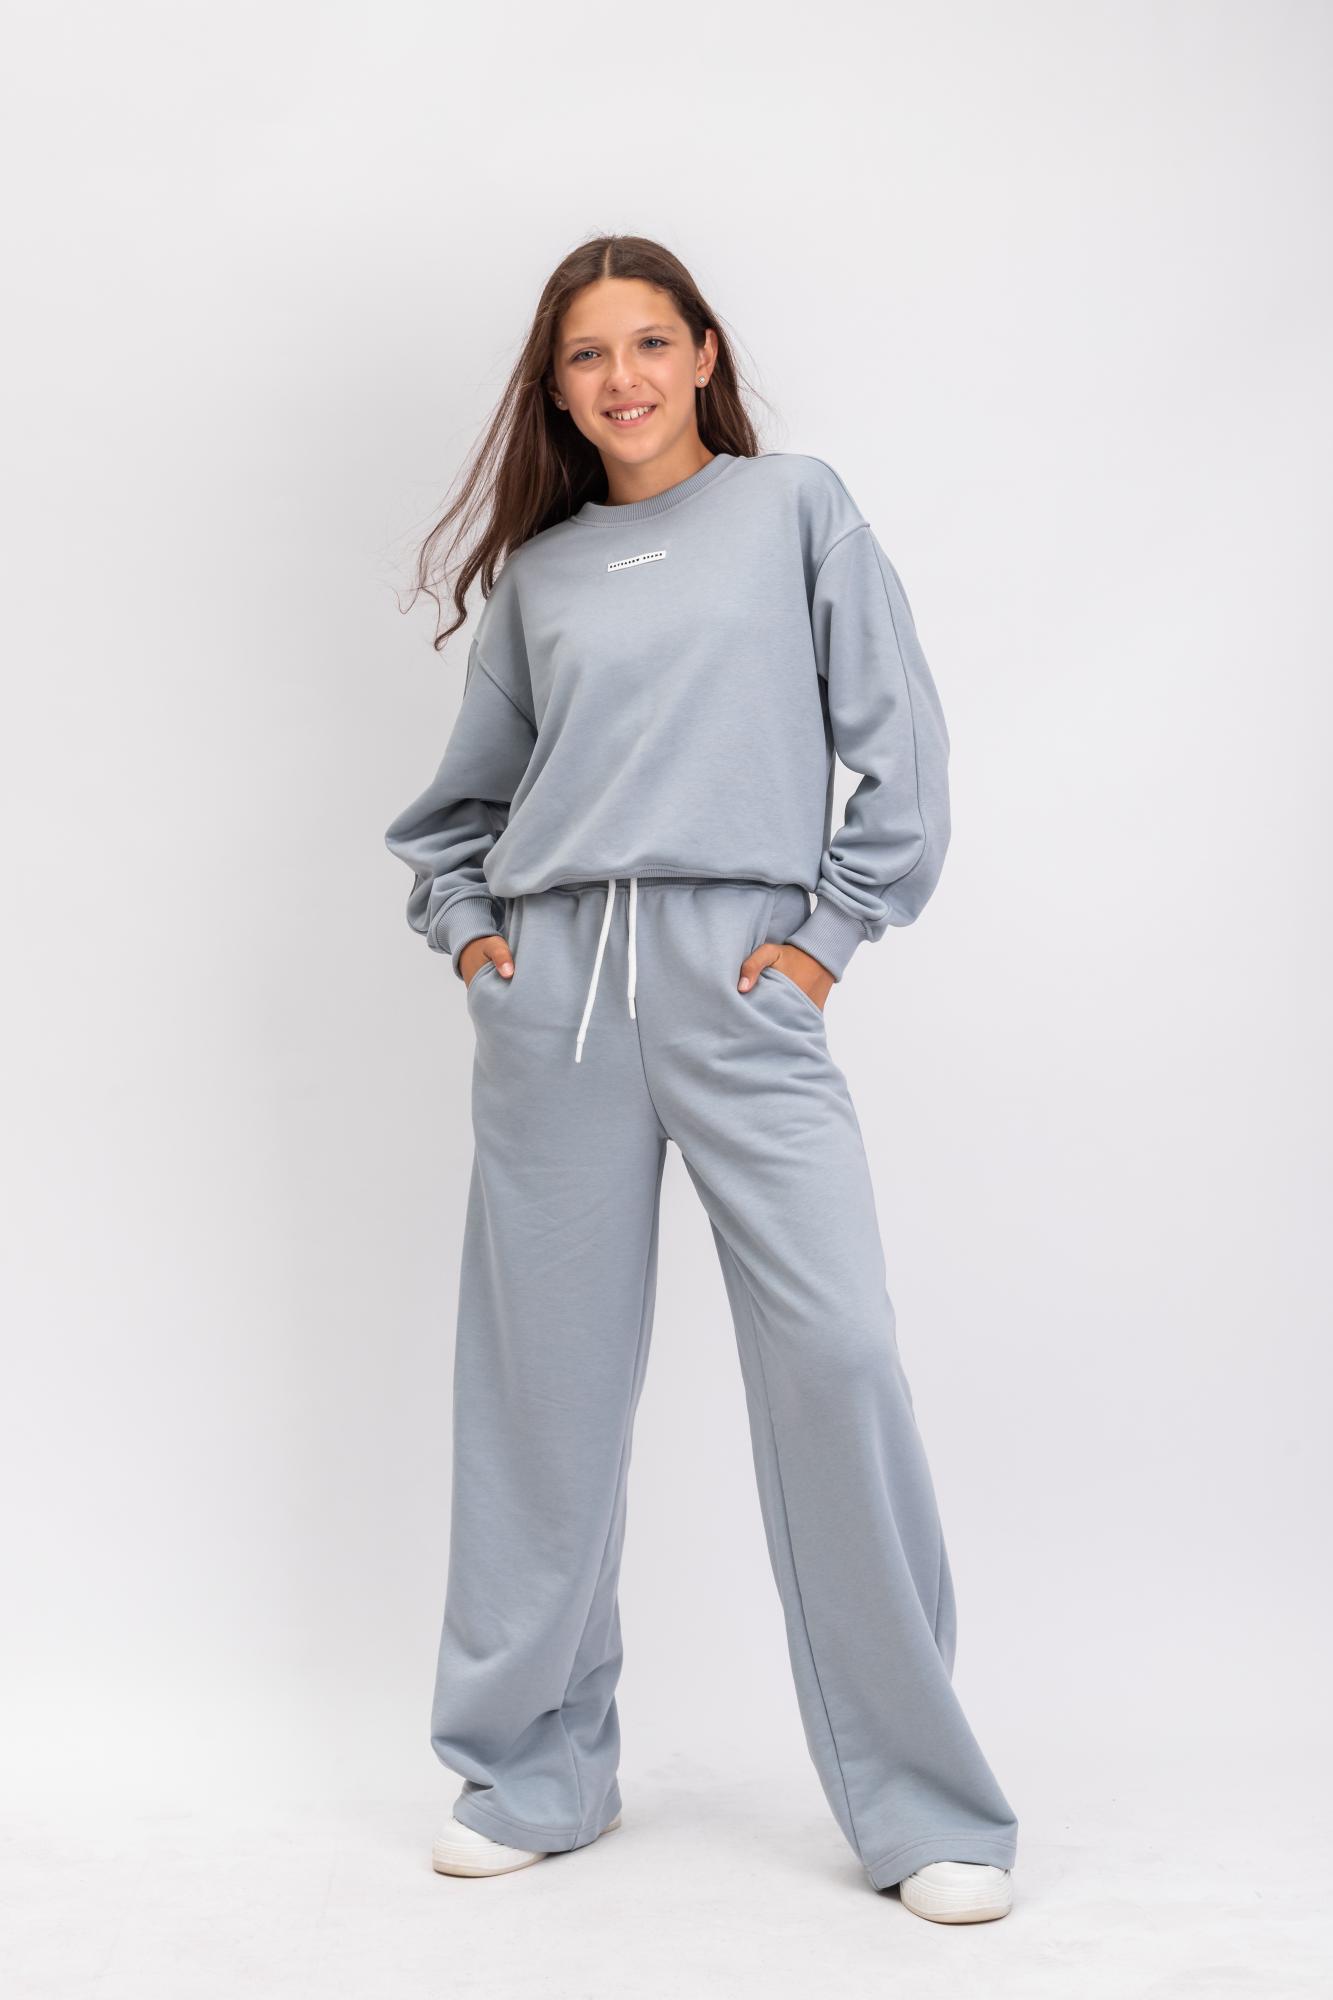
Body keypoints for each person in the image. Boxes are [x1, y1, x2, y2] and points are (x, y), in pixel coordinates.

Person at [384, 234, 1019, 1923]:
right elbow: (455, 814)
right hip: (558, 1005)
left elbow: (900, 746)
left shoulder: (797, 508)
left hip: (747, 984)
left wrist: (825, 938)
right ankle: (532, 1772)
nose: (625, 379)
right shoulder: (542, 579)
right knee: (542, 1398)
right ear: (556, 389)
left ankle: (923, 1804)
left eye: (650, 343)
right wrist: (478, 945)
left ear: (704, 352)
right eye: (588, 356)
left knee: (838, 1354)